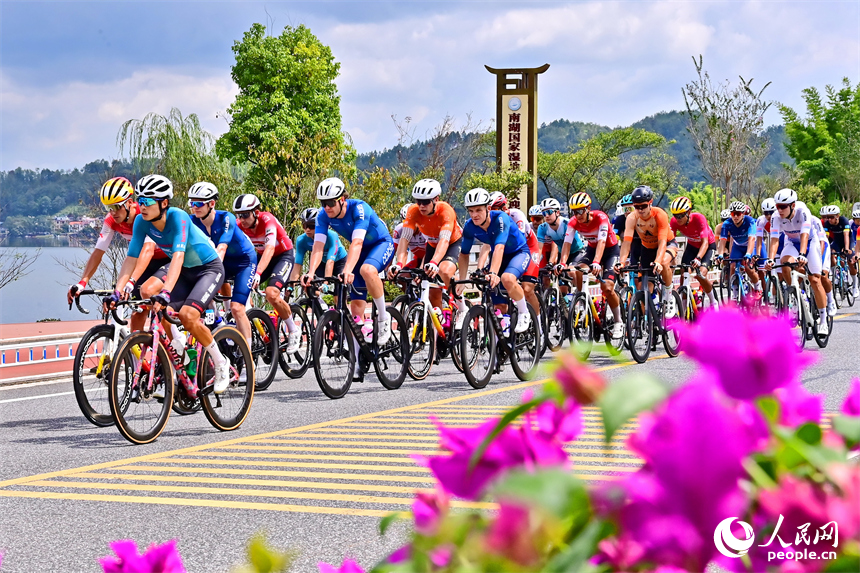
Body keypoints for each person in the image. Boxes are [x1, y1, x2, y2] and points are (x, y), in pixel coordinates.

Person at [109, 175, 231, 392]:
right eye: (140, 201)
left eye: (147, 202)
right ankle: (179, 351)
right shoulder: (141, 222)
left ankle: (221, 363)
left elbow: (177, 257)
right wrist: (118, 291)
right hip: (185, 271)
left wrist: (166, 292)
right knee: (157, 307)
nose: (142, 207)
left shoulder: (179, 218)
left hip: (208, 269)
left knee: (188, 315)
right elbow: (131, 258)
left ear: (164, 203)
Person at [302, 177, 395, 349]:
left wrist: (348, 269)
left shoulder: (359, 208)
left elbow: (357, 243)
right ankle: (358, 361)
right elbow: (318, 247)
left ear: (342, 199)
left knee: (367, 270)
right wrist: (310, 272)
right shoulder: (323, 216)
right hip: (359, 251)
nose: (326, 207)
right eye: (323, 203)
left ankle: (383, 317)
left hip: (380, 244)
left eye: (330, 202)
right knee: (355, 312)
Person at [68, 177, 169, 332]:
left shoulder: (145, 215)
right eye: (108, 207)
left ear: (129, 202)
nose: (113, 212)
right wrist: (83, 282)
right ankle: (138, 353)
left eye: (116, 206)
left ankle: (175, 346)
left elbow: (147, 251)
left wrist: (131, 281)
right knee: (138, 313)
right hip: (145, 264)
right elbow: (98, 252)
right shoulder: (111, 220)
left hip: (167, 260)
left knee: (157, 304)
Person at [456, 188, 534, 334]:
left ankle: (524, 312)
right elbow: (464, 254)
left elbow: (498, 248)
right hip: (500, 256)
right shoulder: (469, 226)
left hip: (519, 252)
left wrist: (493, 272)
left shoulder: (500, 218)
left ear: (488, 208)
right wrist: (463, 279)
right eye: (471, 211)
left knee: (507, 278)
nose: (474, 215)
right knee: (498, 304)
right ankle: (501, 337)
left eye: (478, 210)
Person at [187, 182, 257, 343]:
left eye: (199, 203)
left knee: (237, 308)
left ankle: (248, 354)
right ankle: (221, 322)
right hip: (222, 263)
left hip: (243, 261)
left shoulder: (226, 218)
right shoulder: (192, 221)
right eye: (191, 203)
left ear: (212, 204)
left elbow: (221, 249)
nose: (194, 207)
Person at [232, 194, 302, 354]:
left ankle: (293, 329)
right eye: (239, 215)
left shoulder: (267, 220)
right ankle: (257, 326)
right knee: (241, 291)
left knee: (271, 293)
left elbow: (270, 249)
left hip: (283, 255)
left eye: (245, 215)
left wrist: (258, 273)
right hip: (262, 256)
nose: (242, 219)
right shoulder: (239, 225)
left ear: (256, 212)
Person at [388, 179, 465, 316]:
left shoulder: (446, 211)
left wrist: (435, 262)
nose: (421, 206)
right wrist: (399, 264)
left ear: (436, 199)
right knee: (431, 289)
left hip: (452, 243)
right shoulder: (414, 211)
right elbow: (404, 240)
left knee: (444, 271)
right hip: (432, 245)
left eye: (425, 202)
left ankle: (462, 308)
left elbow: (444, 240)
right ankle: (440, 321)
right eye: (418, 201)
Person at [763, 188, 830, 335]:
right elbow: (774, 239)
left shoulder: (803, 211)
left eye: (783, 206)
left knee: (815, 279)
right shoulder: (775, 217)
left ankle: (824, 320)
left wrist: (802, 254)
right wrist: (770, 259)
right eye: (777, 206)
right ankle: (797, 294)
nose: (779, 210)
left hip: (810, 242)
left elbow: (805, 234)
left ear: (792, 205)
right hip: (792, 242)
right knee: (785, 262)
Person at [559, 192, 623, 338]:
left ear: (588, 209)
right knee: (579, 270)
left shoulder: (601, 218)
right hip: (592, 249)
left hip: (610, 251)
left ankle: (618, 321)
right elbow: (566, 244)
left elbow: (602, 242)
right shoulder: (573, 222)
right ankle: (583, 304)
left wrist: (596, 262)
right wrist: (563, 263)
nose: (578, 215)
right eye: (574, 211)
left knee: (606, 287)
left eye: (580, 210)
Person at [617, 185, 679, 317]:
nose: (640, 210)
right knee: (645, 287)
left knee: (663, 262)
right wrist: (622, 262)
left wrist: (657, 261)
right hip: (647, 248)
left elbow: (662, 242)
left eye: (643, 206)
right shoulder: (632, 218)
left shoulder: (659, 214)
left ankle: (668, 296)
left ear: (650, 203)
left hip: (667, 244)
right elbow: (626, 243)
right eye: (637, 206)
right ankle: (654, 313)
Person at [483, 192, 542, 325]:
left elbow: (517, 240)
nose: (492, 212)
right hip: (506, 251)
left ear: (505, 207)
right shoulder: (489, 222)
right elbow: (487, 247)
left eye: (496, 208)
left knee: (527, 289)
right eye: (490, 209)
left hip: (527, 247)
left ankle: (539, 325)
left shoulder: (516, 215)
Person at [289, 207, 347, 311]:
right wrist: (291, 285)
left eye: (311, 226)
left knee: (338, 298)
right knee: (308, 283)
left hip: (339, 262)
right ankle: (322, 308)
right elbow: (297, 264)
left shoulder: (331, 235)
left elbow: (330, 261)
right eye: (304, 225)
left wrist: (326, 283)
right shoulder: (301, 240)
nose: (307, 229)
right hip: (321, 262)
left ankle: (342, 317)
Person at [669, 196, 719, 310]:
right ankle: (684, 304)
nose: (678, 219)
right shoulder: (674, 222)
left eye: (681, 215)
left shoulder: (699, 218)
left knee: (700, 274)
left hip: (707, 246)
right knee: (683, 273)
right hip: (692, 246)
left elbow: (705, 243)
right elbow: (671, 240)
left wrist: (698, 258)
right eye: (675, 215)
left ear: (688, 212)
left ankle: (712, 300)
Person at [716, 200, 762, 301]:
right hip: (738, 246)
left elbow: (752, 239)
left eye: (738, 214)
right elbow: (722, 241)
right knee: (732, 266)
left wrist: (749, 254)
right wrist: (720, 254)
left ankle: (757, 287)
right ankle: (735, 292)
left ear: (743, 214)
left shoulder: (750, 221)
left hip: (749, 245)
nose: (735, 217)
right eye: (733, 214)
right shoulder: (727, 224)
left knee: (748, 267)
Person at [536, 197, 584, 292]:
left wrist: (562, 262)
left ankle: (580, 294)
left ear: (557, 212)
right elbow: (538, 249)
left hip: (576, 252)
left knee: (571, 271)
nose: (546, 216)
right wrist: (535, 264)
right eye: (544, 213)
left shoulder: (567, 223)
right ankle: (564, 305)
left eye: (549, 212)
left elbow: (567, 244)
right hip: (562, 253)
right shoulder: (542, 228)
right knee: (563, 290)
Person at [820, 205, 857, 297]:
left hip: (848, 240)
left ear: (837, 216)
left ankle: (855, 285)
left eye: (832, 217)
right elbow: (826, 238)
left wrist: (847, 248)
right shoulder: (827, 223)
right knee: (831, 253)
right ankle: (836, 274)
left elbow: (846, 235)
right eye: (828, 217)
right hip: (837, 241)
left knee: (850, 261)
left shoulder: (844, 221)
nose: (829, 219)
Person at [391, 203, 427, 270]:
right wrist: (388, 270)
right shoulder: (400, 229)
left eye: (411, 222)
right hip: (418, 259)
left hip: (433, 259)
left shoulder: (425, 229)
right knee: (401, 277)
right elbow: (394, 252)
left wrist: (421, 269)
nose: (408, 225)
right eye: (405, 222)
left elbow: (429, 252)